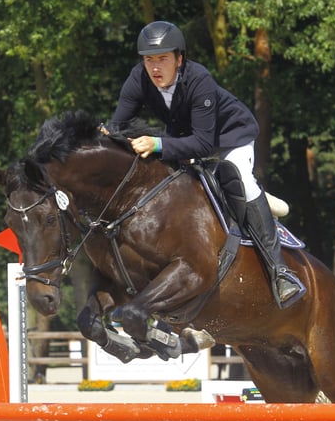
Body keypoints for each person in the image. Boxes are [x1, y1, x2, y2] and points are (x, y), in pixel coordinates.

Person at [109, 20, 305, 309]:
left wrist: (158, 144)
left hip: (230, 139)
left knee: (240, 178)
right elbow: (118, 124)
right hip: (185, 140)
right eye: (149, 59)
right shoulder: (138, 78)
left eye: (162, 59)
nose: (154, 67)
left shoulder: (199, 79)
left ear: (179, 59)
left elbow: (203, 143)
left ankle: (281, 272)